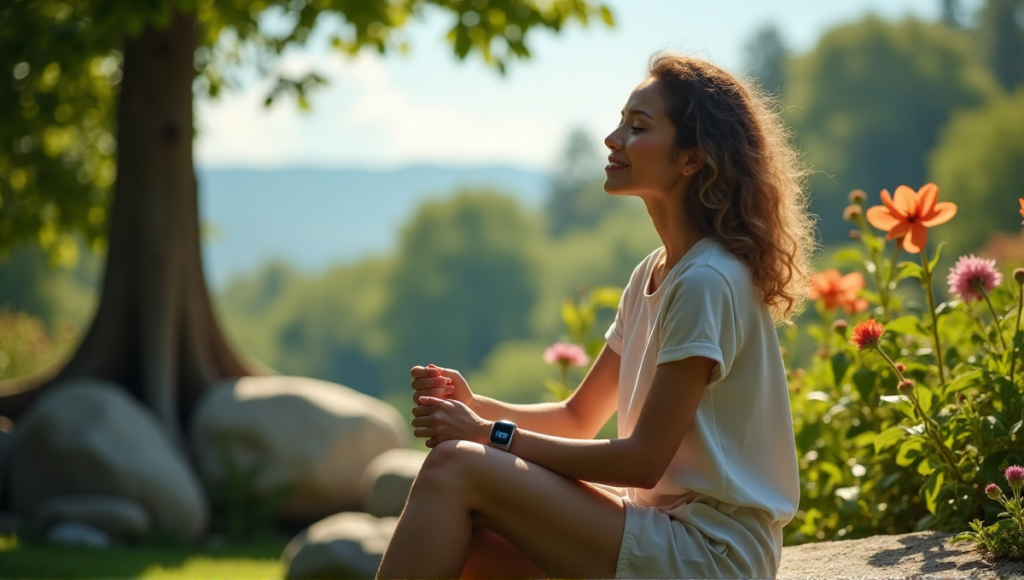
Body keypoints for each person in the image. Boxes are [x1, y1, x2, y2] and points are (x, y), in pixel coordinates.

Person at [376, 52, 815, 579]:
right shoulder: (653, 274)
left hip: (712, 556)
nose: (612, 139)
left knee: (456, 467)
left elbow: (641, 461)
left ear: (692, 158)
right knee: (469, 536)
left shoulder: (707, 282)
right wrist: (477, 406)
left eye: (638, 127)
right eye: (620, 122)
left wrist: (485, 432)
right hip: (666, 535)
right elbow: (578, 419)